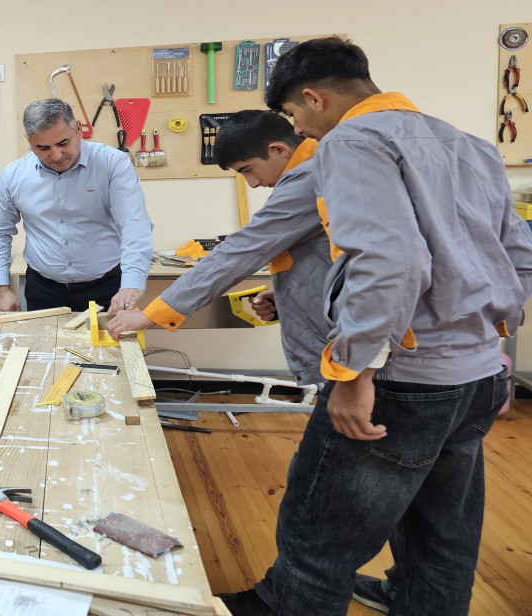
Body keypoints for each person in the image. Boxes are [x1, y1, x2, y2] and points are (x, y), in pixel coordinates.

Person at [219, 37, 531, 616]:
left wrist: (354, 370)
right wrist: (490, 336)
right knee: (440, 540)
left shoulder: (348, 141)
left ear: (314, 98)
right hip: (479, 376)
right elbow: (518, 254)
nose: (299, 129)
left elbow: (392, 262)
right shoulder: (467, 143)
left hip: (401, 382)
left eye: (293, 115)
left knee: (317, 543)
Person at [106, 110, 329, 387]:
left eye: (247, 170)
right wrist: (288, 293)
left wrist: (150, 315)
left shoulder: (307, 180)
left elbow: (238, 253)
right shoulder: (314, 170)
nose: (252, 183)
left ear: (278, 150)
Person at [0, 98, 153, 313]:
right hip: (43, 290)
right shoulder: (13, 175)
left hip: (108, 288)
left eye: (63, 143)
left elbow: (134, 225)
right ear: (29, 141)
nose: (56, 155)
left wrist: (131, 285)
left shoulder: (112, 164)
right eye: (43, 147)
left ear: (79, 130)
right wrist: (1, 289)